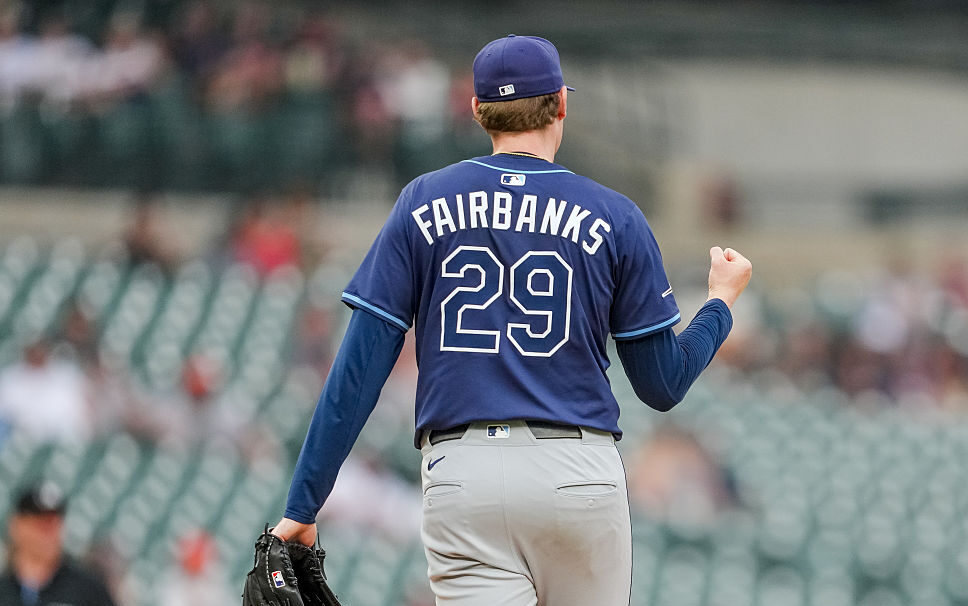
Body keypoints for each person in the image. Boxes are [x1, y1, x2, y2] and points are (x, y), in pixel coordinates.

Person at [269, 34, 752, 605]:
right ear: (561, 105)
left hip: (462, 473)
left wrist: (303, 505)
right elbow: (663, 384)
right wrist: (718, 306)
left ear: (477, 111)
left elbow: (357, 373)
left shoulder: (422, 202)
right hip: (578, 469)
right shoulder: (615, 216)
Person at [0, 483, 118, 606]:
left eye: (53, 524)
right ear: (17, 525)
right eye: (39, 525)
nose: (47, 534)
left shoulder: (88, 588)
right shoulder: (3, 589)